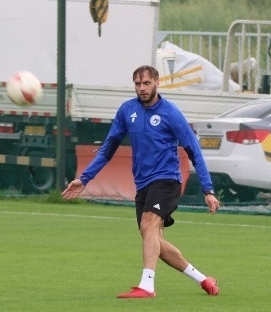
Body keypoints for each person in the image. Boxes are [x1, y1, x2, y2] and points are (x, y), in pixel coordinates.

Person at [62, 65, 221, 298]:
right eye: (138, 84)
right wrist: (84, 178)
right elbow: (108, 148)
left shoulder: (171, 113)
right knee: (152, 238)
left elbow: (194, 152)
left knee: (149, 226)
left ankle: (147, 286)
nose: (142, 88)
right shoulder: (127, 111)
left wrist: (208, 189)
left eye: (146, 83)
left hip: (167, 180)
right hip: (143, 184)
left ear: (157, 83)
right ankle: (204, 280)